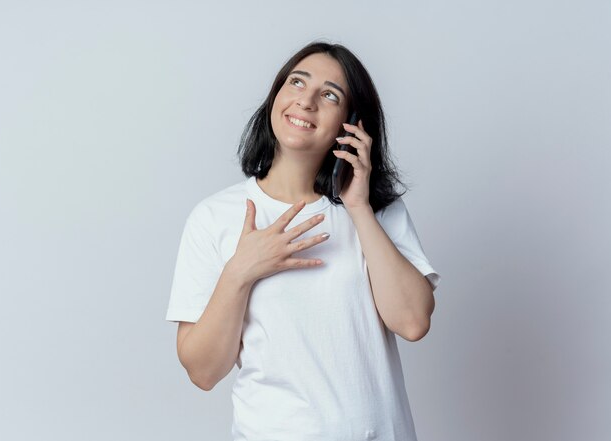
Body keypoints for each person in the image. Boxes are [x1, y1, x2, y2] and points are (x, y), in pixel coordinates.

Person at [166, 41, 442, 441]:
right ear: (275, 97)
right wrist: (240, 272)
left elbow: (413, 322)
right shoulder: (215, 217)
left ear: (353, 123)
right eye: (296, 82)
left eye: (330, 94)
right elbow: (203, 372)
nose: (306, 101)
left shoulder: (377, 209)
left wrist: (359, 207)